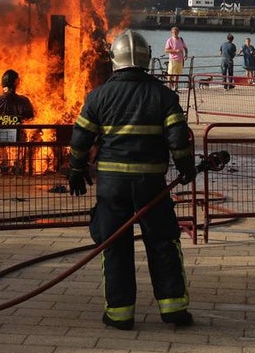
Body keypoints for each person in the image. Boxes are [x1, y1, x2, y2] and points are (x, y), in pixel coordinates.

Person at [66, 30, 197, 330]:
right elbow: (178, 137)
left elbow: (81, 137)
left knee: (114, 244)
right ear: (147, 58)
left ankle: (120, 313)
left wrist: (75, 169)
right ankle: (173, 308)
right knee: (163, 241)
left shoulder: (98, 95)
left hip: (111, 184)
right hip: (150, 182)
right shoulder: (164, 95)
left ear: (114, 59)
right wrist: (185, 166)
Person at [0, 69, 37, 172]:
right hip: (17, 137)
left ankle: (1, 164)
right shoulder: (23, 101)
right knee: (20, 144)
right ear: (16, 82)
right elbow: (30, 116)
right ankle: (17, 166)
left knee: (1, 146)